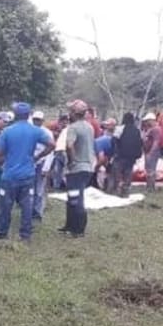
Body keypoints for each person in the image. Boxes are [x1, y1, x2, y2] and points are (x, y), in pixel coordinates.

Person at [0, 102, 53, 243]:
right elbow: (52, 145)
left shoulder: (7, 131)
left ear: (15, 114)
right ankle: (25, 235)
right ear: (28, 115)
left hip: (9, 174)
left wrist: (6, 157)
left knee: (5, 206)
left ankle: (2, 235)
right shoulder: (36, 131)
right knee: (27, 206)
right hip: (28, 174)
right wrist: (37, 157)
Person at [61, 100, 95, 238]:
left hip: (77, 167)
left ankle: (78, 229)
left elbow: (69, 145)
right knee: (72, 197)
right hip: (87, 166)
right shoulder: (89, 127)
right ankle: (70, 225)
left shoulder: (73, 128)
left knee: (76, 198)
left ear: (74, 114)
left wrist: (72, 161)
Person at [112, 112, 143, 198]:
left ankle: (118, 188)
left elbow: (114, 141)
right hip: (132, 156)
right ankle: (126, 189)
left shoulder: (120, 128)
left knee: (118, 171)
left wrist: (115, 152)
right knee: (128, 172)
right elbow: (140, 142)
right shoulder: (137, 130)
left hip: (121, 155)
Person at [31, 111, 54, 221]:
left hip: (41, 162)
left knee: (39, 190)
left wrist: (46, 167)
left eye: (39, 120)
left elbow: (50, 152)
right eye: (35, 119)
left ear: (42, 121)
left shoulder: (47, 133)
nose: (36, 122)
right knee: (30, 189)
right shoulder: (29, 131)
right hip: (30, 163)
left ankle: (37, 212)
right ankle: (29, 211)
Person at [93, 118, 116, 192]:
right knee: (109, 171)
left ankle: (109, 189)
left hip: (115, 155)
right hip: (112, 154)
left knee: (111, 172)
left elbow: (101, 158)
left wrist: (96, 167)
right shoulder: (104, 137)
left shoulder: (97, 143)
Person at [141, 113, 162, 191]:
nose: (146, 123)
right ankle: (149, 185)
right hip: (148, 151)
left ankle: (151, 186)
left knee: (151, 169)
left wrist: (151, 152)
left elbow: (156, 142)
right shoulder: (149, 129)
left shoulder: (156, 129)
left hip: (152, 152)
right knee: (148, 169)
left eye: (147, 121)